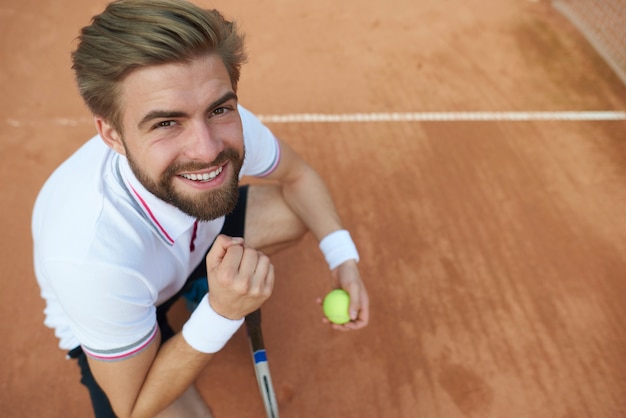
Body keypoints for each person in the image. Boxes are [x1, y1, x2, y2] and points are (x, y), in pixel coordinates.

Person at [32, 0, 369, 417]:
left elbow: (297, 176)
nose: (208, 149)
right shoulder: (91, 260)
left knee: (293, 211)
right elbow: (133, 405)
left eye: (219, 109)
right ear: (113, 134)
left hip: (182, 250)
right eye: (166, 123)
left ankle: (197, 284)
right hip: (123, 297)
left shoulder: (225, 121)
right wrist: (222, 312)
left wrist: (344, 260)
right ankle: (196, 298)